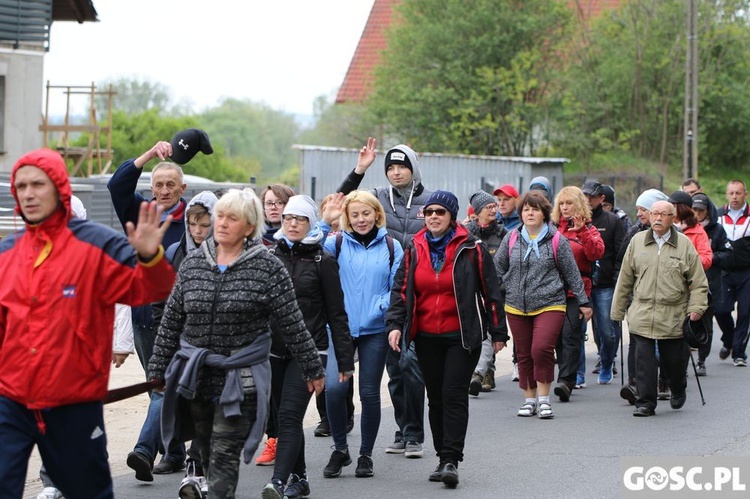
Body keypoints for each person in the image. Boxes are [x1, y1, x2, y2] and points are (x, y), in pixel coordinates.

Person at [0, 148, 176, 498]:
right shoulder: (8, 252)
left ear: (60, 187)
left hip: (73, 401)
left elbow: (148, 289)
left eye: (38, 184)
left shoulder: (99, 243)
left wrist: (149, 257)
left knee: (89, 491)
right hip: (12, 400)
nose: (29, 193)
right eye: (21, 186)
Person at [149, 188, 326, 499]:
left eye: (233, 218)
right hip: (197, 379)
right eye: (220, 216)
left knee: (223, 461)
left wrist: (313, 367)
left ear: (249, 227)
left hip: (241, 381)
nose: (222, 223)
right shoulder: (193, 264)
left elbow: (292, 322)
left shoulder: (267, 267)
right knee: (205, 453)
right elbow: (171, 321)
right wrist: (158, 368)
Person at [387, 190, 508, 488]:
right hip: (426, 336)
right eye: (429, 213)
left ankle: (452, 459)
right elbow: (401, 291)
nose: (433, 217)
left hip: (462, 336)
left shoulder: (471, 248)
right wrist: (395, 325)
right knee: (437, 398)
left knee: (453, 395)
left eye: (440, 212)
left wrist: (497, 331)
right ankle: (443, 457)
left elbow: (491, 291)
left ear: (452, 216)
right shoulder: (414, 249)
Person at [337, 138, 427, 458]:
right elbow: (342, 202)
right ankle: (402, 430)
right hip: (385, 298)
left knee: (409, 367)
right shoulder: (377, 198)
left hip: (418, 296)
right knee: (393, 374)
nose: (396, 172)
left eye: (402, 166)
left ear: (413, 168)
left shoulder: (429, 201)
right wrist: (361, 169)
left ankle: (415, 433)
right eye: (391, 167)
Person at [260, 195, 355, 499]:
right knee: (280, 417)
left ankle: (277, 481)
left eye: (299, 219)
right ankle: (300, 478)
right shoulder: (270, 257)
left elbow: (336, 314)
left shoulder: (322, 261)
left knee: (289, 416)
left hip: (310, 351)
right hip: (273, 351)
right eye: (288, 218)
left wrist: (344, 361)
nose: (292, 223)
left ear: (311, 223)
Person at [108, 140, 189, 479]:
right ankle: (174, 453)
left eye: (171, 184)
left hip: (180, 319)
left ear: (183, 188)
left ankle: (144, 449)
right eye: (159, 184)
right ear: (151, 188)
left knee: (163, 385)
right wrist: (148, 156)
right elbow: (117, 185)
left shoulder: (195, 219)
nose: (165, 190)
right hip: (144, 315)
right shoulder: (141, 214)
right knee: (158, 383)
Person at [321, 190, 404, 478]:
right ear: (346, 217)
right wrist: (324, 222)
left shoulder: (393, 247)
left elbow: (397, 290)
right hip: (339, 328)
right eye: (354, 214)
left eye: (366, 213)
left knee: (369, 393)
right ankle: (340, 449)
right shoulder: (336, 243)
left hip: (374, 329)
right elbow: (310, 253)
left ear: (377, 214)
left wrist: (381, 308)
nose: (361, 219)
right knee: (334, 388)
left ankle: (365, 455)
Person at [494, 191, 590, 420]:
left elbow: (572, 274)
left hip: (551, 303)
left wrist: (584, 302)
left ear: (544, 214)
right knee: (525, 354)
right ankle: (529, 400)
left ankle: (544, 400)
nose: (529, 213)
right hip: (516, 305)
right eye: (526, 209)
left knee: (541, 349)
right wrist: (496, 293)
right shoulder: (512, 238)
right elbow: (497, 269)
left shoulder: (557, 240)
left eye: (535, 209)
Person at [611, 200, 708, 417]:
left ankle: (678, 385)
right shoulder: (637, 242)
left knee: (672, 361)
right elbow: (625, 278)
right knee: (644, 361)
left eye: (663, 214)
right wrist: (617, 311)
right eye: (654, 213)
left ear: (673, 218)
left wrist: (696, 308)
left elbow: (699, 282)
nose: (657, 218)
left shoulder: (684, 245)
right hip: (642, 312)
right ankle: (645, 402)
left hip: (672, 314)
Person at [152, 190, 219, 499]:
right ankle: (195, 471)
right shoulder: (176, 254)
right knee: (193, 409)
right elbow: (163, 304)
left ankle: (201, 470)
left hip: (221, 351)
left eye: (204, 224)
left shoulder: (230, 255)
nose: (197, 231)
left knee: (212, 412)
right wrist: (161, 358)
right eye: (192, 224)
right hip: (185, 348)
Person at [550, 187, 604, 402]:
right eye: (561, 204)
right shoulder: (552, 229)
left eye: (569, 203)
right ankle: (565, 375)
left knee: (570, 335)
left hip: (578, 290)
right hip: (552, 290)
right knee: (556, 338)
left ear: (579, 205)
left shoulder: (589, 229)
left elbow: (596, 253)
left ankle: (566, 380)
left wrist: (582, 232)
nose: (564, 208)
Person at [615, 189, 668, 404]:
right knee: (637, 341)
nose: (638, 214)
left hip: (666, 301)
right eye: (638, 209)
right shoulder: (634, 234)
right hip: (639, 299)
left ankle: (664, 381)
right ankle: (635, 384)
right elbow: (621, 265)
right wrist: (625, 298)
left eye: (643, 209)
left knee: (664, 342)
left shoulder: (674, 236)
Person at [581, 179, 625, 385]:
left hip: (605, 284)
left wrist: (618, 280)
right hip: (580, 283)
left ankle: (607, 362)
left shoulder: (612, 221)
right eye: (585, 196)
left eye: (591, 196)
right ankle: (577, 372)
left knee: (607, 331)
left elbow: (620, 253)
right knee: (576, 332)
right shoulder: (574, 221)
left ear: (601, 199)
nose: (587, 200)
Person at [465, 190, 507, 395]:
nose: (493, 209)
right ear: (478, 211)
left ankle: (479, 373)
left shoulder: (504, 234)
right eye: (488, 207)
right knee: (479, 333)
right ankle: (485, 372)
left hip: (496, 292)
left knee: (491, 332)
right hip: (471, 293)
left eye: (494, 206)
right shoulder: (466, 234)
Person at [691, 192, 731, 375]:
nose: (697, 213)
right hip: (688, 284)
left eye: (700, 210)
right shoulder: (684, 229)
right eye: (694, 209)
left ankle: (701, 360)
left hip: (710, 283)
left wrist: (711, 257)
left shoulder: (717, 230)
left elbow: (727, 253)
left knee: (706, 323)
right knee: (686, 323)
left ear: (707, 211)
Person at [715, 179, 750, 367]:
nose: (735, 197)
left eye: (738, 193)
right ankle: (728, 340)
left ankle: (739, 353)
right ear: (727, 195)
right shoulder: (719, 216)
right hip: (724, 272)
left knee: (745, 312)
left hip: (747, 272)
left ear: (745, 194)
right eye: (731, 193)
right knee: (721, 310)